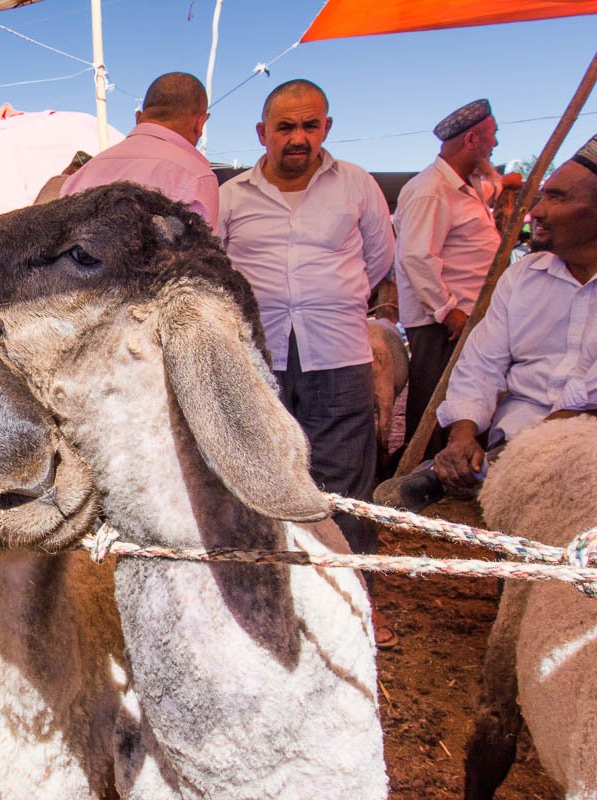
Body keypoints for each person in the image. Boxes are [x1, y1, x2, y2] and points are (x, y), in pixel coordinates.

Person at [217, 79, 395, 643]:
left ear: (326, 129)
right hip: (257, 357)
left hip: (338, 352)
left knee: (342, 484)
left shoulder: (358, 187)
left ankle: (349, 608)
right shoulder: (231, 197)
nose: (298, 138)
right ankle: (270, 605)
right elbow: (214, 268)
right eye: (285, 127)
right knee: (259, 473)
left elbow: (380, 256)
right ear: (261, 134)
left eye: (309, 126)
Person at [376, 133, 597, 510]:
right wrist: (463, 434)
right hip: (509, 443)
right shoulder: (523, 278)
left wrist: (555, 429)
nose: (537, 211)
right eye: (542, 196)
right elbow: (480, 364)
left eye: (557, 198)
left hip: (582, 444)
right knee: (398, 494)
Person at [393, 99, 502, 456]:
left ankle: (453, 471)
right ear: (472, 139)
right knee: (433, 403)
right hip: (443, 321)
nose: (496, 145)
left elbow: (495, 184)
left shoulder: (464, 186)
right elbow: (417, 256)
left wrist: (506, 184)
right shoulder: (431, 189)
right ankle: (423, 472)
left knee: (464, 396)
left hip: (466, 317)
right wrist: (446, 310)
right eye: (492, 136)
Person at [60, 72, 218, 224]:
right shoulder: (197, 177)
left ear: (138, 117)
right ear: (200, 123)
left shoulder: (79, 176)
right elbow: (204, 250)